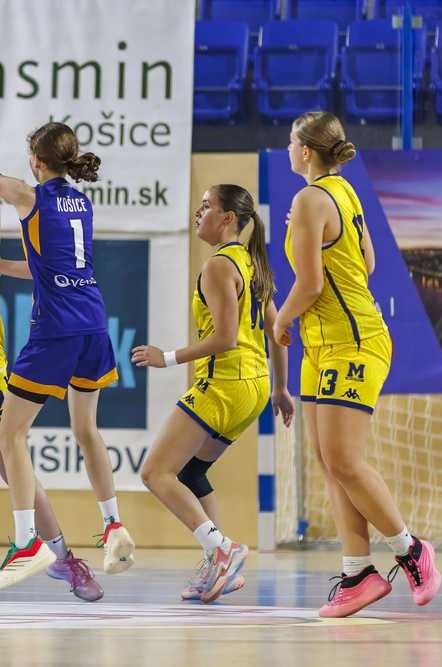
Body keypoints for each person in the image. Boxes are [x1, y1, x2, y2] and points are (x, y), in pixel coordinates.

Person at [0, 78, 135, 592]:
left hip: (56, 329)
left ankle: (26, 542)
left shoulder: (29, 196)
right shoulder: (81, 203)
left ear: (36, 162)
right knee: (87, 430)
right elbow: (45, 268)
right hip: (94, 323)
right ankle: (113, 524)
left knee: (10, 436)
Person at [273, 111, 441, 617]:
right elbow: (365, 262)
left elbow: (310, 285)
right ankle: (357, 574)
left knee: (344, 460)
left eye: (291, 142)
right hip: (323, 344)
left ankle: (411, 550)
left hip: (352, 341)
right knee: (330, 462)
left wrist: (281, 319)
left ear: (306, 150)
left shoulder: (310, 199)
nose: (287, 149)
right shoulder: (343, 191)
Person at [132, 184, 294, 603]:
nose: (197, 212)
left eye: (206, 206)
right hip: (254, 387)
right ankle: (218, 561)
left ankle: (222, 549)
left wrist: (166, 357)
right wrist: (280, 388)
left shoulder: (219, 266)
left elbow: (225, 338)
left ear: (227, 218)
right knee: (191, 473)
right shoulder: (251, 263)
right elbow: (278, 331)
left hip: (224, 383)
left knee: (154, 473)